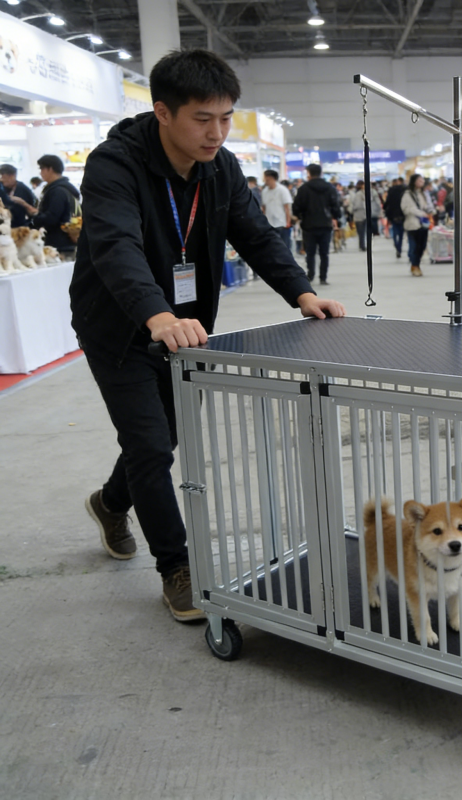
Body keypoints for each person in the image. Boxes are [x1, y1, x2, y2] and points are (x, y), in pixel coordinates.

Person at [69, 49, 345, 623]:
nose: (217, 133)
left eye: (226, 118)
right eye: (203, 118)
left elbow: (255, 233)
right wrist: (157, 315)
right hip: (119, 324)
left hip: (187, 326)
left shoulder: (221, 167)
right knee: (148, 442)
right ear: (163, 112)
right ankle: (177, 565)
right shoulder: (113, 165)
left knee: (162, 438)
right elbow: (116, 248)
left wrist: (302, 291)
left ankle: (110, 501)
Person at [10, 154, 80, 258]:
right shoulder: (66, 188)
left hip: (58, 244)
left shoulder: (57, 191)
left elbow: (51, 217)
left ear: (50, 169)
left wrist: (34, 220)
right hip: (67, 241)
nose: (40, 173)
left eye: (42, 169)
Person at [292, 163, 340, 285]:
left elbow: (297, 206)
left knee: (310, 252)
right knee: (324, 253)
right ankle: (323, 277)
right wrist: (336, 217)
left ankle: (310, 275)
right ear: (320, 173)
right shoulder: (329, 188)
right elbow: (335, 205)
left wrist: (300, 215)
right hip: (325, 224)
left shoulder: (303, 189)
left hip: (309, 225)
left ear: (308, 173)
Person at [401, 173, 433, 277]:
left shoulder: (423, 193)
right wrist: (420, 213)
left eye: (422, 181)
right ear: (414, 181)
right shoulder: (407, 194)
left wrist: (431, 210)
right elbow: (406, 208)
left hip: (423, 224)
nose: (422, 182)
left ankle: (416, 264)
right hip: (412, 224)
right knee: (414, 246)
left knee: (422, 246)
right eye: (419, 180)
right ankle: (415, 266)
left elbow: (427, 205)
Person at [261, 169, 293, 249]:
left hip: (282, 223)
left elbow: (287, 208)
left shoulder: (282, 190)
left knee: (284, 246)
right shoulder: (264, 191)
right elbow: (264, 207)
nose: (265, 181)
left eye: (267, 179)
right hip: (270, 224)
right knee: (272, 247)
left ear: (273, 178)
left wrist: (288, 222)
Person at [0, 164, 37, 228]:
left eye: (4, 177)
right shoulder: (2, 187)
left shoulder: (23, 189)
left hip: (21, 226)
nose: (2, 180)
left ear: (12, 176)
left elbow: (31, 211)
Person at [384, 177, 406, 258]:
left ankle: (396, 244)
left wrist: (385, 209)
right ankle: (399, 248)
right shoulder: (404, 190)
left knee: (394, 230)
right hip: (402, 214)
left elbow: (387, 202)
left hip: (393, 214)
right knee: (401, 233)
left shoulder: (391, 190)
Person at [350, 179, 368, 251]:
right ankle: (362, 245)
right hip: (359, 215)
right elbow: (357, 205)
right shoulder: (359, 194)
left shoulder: (361, 193)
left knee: (362, 232)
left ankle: (362, 245)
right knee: (361, 232)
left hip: (362, 215)